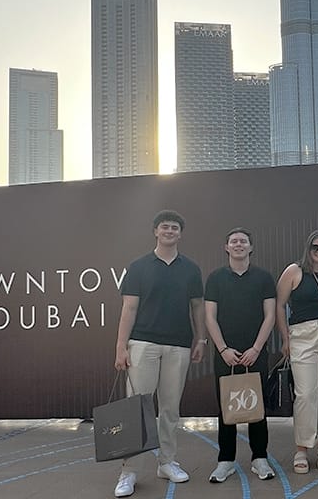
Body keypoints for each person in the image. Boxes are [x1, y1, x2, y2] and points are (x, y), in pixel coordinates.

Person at [113, 210, 206, 498]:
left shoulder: (190, 269)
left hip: (178, 345)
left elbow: (198, 307)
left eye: (175, 227)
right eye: (164, 227)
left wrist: (200, 338)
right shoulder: (139, 267)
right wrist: (121, 345)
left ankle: (166, 462)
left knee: (169, 409)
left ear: (180, 234)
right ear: (155, 231)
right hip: (142, 344)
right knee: (137, 409)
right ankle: (129, 471)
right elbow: (129, 308)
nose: (169, 231)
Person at [204, 227, 277, 483]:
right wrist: (223, 349)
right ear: (226, 247)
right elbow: (209, 317)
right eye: (233, 241)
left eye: (243, 241)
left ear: (250, 247)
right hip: (226, 355)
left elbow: (270, 315)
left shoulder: (264, 278)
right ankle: (225, 461)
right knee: (226, 409)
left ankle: (260, 457)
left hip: (256, 353)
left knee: (258, 408)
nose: (238, 245)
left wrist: (256, 348)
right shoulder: (215, 278)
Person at [276, 230, 318, 474]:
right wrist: (285, 337)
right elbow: (279, 304)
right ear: (308, 248)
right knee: (305, 393)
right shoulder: (294, 271)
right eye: (315, 247)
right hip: (302, 334)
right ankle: (302, 447)